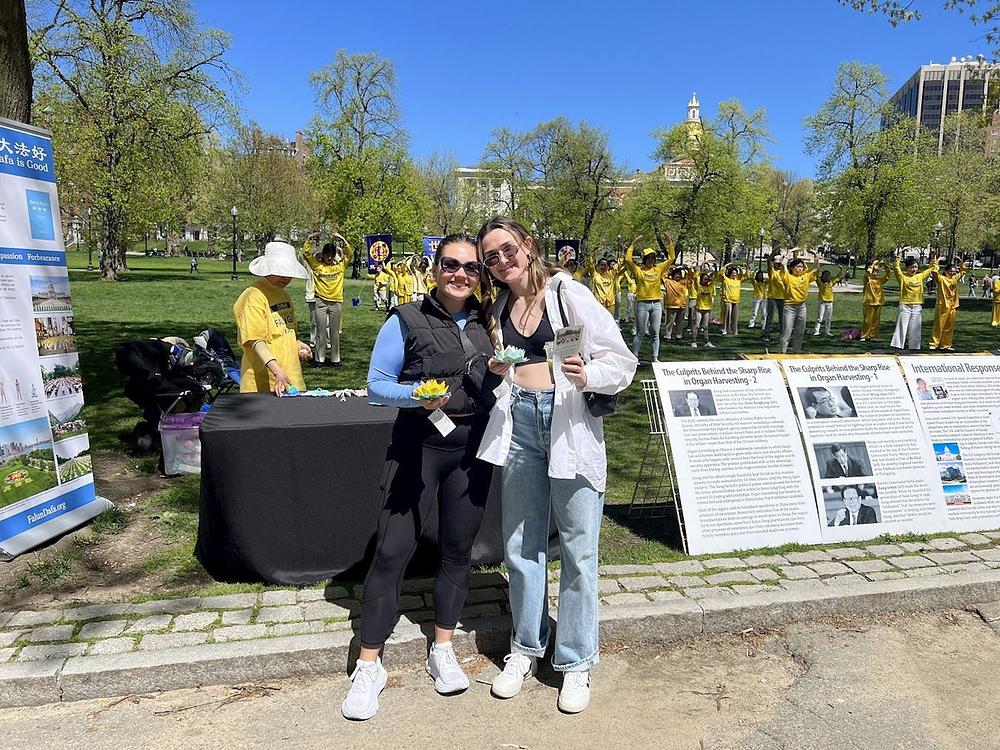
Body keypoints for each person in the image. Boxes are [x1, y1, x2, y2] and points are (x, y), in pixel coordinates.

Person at [476, 217, 636, 714]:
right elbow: (504, 367)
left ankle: (575, 661)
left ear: (528, 243)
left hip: (567, 427)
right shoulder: (499, 306)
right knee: (521, 545)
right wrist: (499, 371)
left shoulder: (570, 295)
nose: (502, 261)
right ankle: (525, 648)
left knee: (578, 549)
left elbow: (621, 362)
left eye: (507, 249)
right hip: (519, 422)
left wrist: (588, 374)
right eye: (491, 257)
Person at [342, 233, 500, 721]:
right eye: (450, 265)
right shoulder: (405, 319)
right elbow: (376, 385)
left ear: (480, 274)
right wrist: (416, 397)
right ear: (434, 270)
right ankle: (369, 666)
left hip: (472, 449)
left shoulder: (487, 320)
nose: (460, 274)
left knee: (457, 549)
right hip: (417, 447)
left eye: (471, 268)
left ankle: (443, 648)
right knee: (391, 553)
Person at [233, 241, 313, 396]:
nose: (285, 277)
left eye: (288, 272)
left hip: (291, 379)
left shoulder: (283, 294)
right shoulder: (253, 296)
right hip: (264, 384)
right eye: (280, 271)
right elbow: (256, 341)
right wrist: (278, 372)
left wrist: (297, 346)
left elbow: (282, 332)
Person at [302, 232, 354, 368]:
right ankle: (320, 359)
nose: (329, 257)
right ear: (323, 255)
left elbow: (350, 254)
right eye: (327, 254)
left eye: (332, 254)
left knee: (334, 332)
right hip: (320, 303)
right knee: (320, 332)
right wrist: (309, 239)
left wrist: (342, 239)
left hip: (336, 303)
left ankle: (335, 359)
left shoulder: (340, 267)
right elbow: (306, 254)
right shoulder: (317, 266)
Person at [622, 235, 675, 362]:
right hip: (642, 304)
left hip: (656, 304)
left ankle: (655, 357)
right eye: (649, 257)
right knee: (640, 332)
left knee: (655, 332)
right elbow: (628, 260)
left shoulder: (658, 269)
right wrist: (633, 243)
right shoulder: (638, 271)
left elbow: (672, 258)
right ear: (644, 259)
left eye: (653, 257)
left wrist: (669, 243)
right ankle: (634, 357)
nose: (651, 260)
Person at [890, 251, 938, 351]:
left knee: (915, 328)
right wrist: (897, 258)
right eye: (911, 267)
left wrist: (933, 257)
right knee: (901, 327)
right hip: (905, 306)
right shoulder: (902, 277)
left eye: (915, 267)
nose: (914, 269)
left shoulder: (920, 276)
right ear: (907, 268)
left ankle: (914, 347)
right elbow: (896, 268)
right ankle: (897, 346)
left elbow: (931, 269)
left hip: (917, 306)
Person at [778, 251, 820, 354]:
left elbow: (816, 269)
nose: (800, 268)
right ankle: (782, 353)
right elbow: (783, 265)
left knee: (800, 332)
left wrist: (816, 258)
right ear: (792, 268)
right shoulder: (787, 277)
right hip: (789, 307)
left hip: (802, 307)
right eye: (798, 266)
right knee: (786, 332)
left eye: (801, 266)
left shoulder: (805, 277)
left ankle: (797, 351)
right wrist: (789, 254)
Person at [929, 261, 965, 351]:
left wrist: (961, 263)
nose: (952, 273)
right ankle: (934, 343)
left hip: (953, 305)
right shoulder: (941, 279)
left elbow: (962, 272)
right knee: (939, 325)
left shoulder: (955, 278)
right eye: (950, 271)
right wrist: (936, 261)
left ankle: (946, 344)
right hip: (943, 305)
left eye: (953, 271)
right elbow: (934, 272)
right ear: (945, 271)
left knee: (949, 326)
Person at [860, 259, 889, 342]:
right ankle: (864, 335)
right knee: (867, 320)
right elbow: (867, 273)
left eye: (877, 271)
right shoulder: (867, 279)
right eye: (874, 271)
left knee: (876, 321)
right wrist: (872, 265)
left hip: (878, 302)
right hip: (869, 302)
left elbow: (888, 276)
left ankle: (873, 336)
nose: (875, 272)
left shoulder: (879, 280)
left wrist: (885, 266)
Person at [662, 266, 692, 342]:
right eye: (676, 274)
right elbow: (661, 275)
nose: (678, 276)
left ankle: (679, 336)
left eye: (679, 274)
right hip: (671, 306)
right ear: (673, 275)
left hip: (682, 306)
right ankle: (667, 335)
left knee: (680, 322)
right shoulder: (668, 282)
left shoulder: (684, 282)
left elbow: (691, 277)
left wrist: (687, 269)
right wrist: (668, 268)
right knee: (670, 322)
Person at [690, 267, 719, 348]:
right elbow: (695, 278)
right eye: (704, 279)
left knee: (706, 326)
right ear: (701, 280)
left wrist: (715, 270)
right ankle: (694, 341)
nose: (706, 281)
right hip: (699, 309)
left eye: (707, 279)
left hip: (707, 309)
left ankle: (707, 341)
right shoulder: (698, 287)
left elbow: (716, 277)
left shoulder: (710, 286)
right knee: (696, 325)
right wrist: (698, 270)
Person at [761, 254, 786, 341]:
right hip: (772, 297)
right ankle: (766, 334)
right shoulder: (772, 272)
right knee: (770, 316)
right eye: (777, 263)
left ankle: (783, 335)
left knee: (782, 317)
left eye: (779, 264)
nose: (778, 265)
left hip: (782, 297)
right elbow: (768, 261)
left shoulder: (784, 271)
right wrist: (774, 251)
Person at [812, 266, 843, 337]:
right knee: (820, 317)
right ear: (822, 276)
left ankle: (827, 331)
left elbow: (838, 277)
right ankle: (816, 331)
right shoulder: (820, 283)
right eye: (825, 275)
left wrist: (840, 270)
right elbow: (815, 275)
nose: (827, 277)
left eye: (828, 275)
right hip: (822, 302)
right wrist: (819, 268)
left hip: (830, 302)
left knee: (828, 318)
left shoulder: (831, 283)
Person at [719, 264, 749, 336]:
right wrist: (726, 266)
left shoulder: (738, 280)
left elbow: (746, 275)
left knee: (735, 317)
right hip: (728, 300)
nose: (734, 274)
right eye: (733, 273)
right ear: (729, 273)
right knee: (727, 316)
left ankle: (734, 330)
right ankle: (725, 329)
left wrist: (744, 268)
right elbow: (721, 273)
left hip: (736, 301)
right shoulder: (726, 280)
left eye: (735, 273)